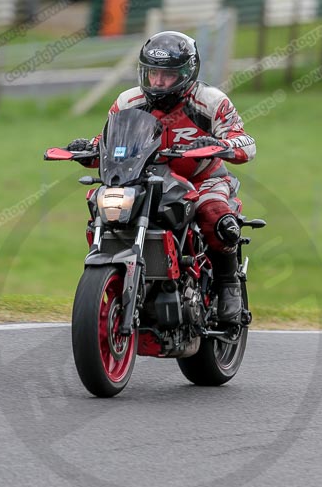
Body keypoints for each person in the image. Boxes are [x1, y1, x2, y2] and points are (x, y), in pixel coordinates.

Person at [68, 31, 256, 323]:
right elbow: (110, 142)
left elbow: (245, 141)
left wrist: (222, 145)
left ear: (186, 73)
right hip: (143, 179)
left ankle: (228, 283)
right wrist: (90, 148)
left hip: (202, 179)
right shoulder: (128, 101)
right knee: (102, 205)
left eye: (166, 75)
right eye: (152, 73)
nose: (157, 81)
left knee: (215, 216)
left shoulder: (210, 101)